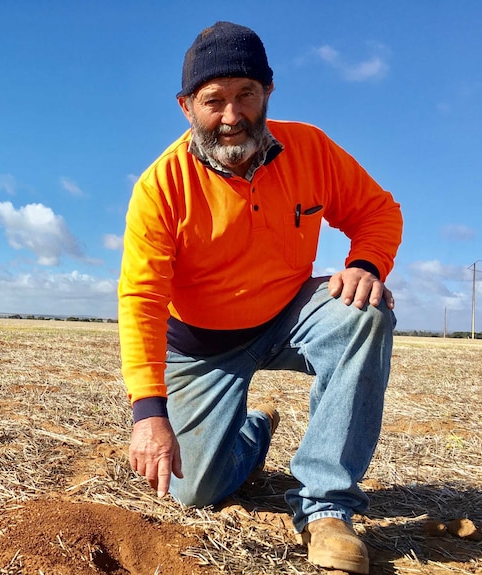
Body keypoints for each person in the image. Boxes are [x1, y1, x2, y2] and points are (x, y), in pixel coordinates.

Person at [118, 21, 402, 574]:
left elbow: (377, 211)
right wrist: (148, 413)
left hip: (286, 316)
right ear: (186, 107)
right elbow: (141, 299)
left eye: (246, 95)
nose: (231, 116)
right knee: (196, 491)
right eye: (213, 101)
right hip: (200, 348)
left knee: (363, 312)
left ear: (268, 93)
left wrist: (366, 264)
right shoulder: (160, 187)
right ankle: (255, 430)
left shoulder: (312, 149)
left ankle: (326, 508)